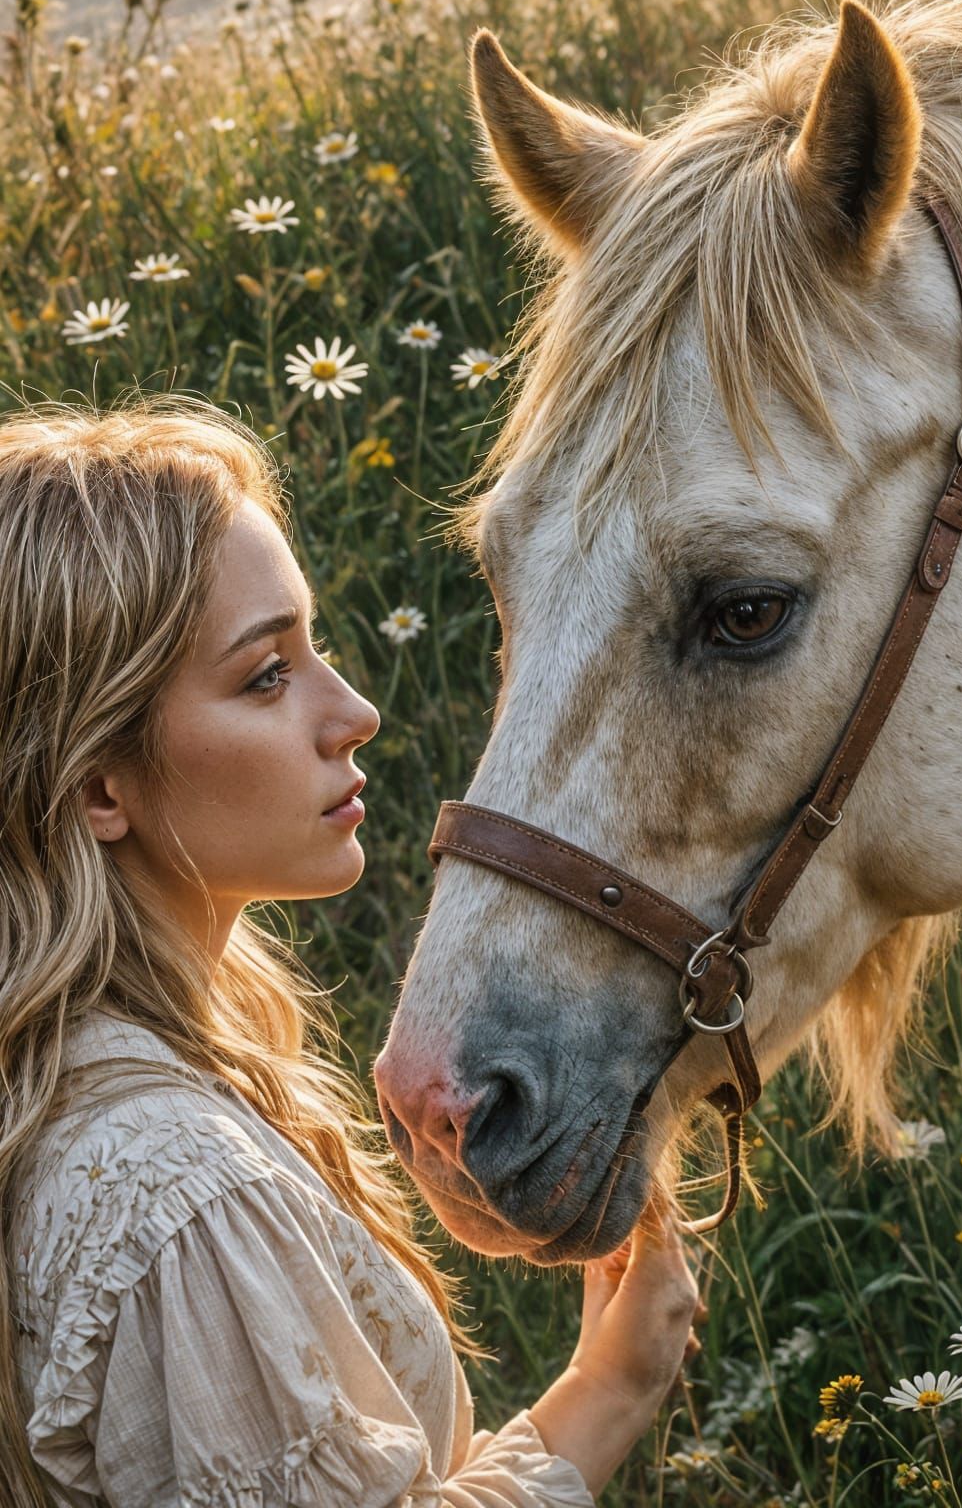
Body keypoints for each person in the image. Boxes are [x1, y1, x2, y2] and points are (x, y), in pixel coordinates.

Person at [0, 398, 701, 1506]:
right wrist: (608, 1391)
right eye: (266, 676)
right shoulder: (181, 1191)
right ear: (98, 786)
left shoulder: (101, 1095)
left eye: (313, 648)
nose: (357, 712)